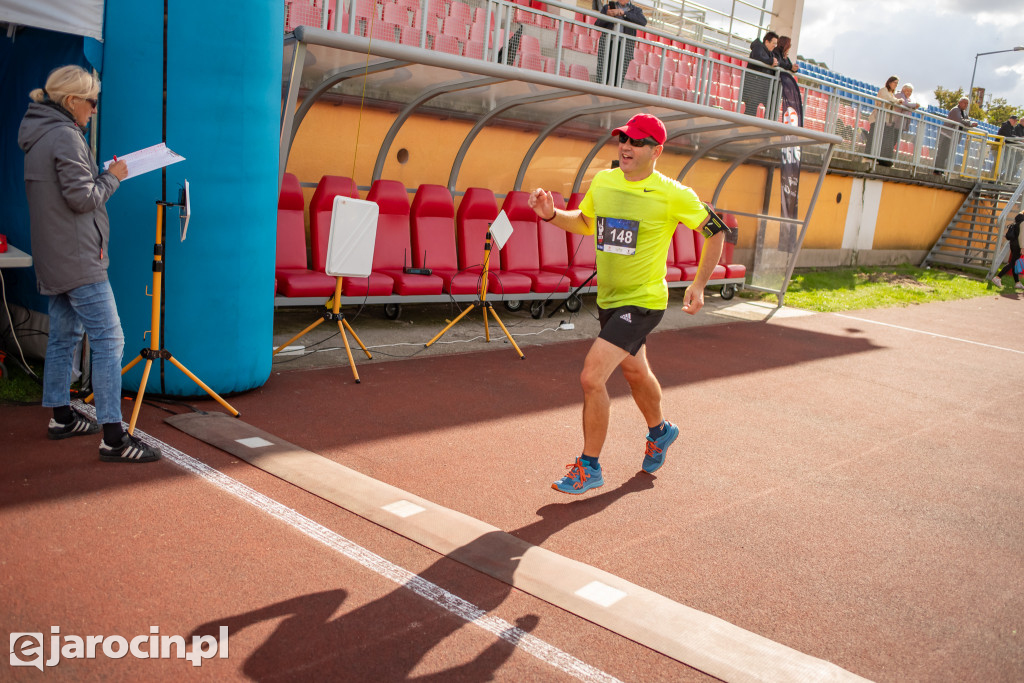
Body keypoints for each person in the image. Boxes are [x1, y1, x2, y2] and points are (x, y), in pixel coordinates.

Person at [526, 113, 727, 494]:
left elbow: (716, 232)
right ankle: (661, 431)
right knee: (635, 374)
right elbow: (587, 223)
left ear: (657, 150)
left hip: (644, 300)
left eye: (636, 142)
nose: (626, 146)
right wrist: (551, 215)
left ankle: (589, 467)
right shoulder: (604, 181)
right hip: (609, 300)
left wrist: (700, 285)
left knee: (591, 376)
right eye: (623, 139)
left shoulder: (672, 193)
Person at [18, 65, 161, 464]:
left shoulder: (40, 133)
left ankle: (62, 415)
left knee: (65, 334)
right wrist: (112, 177)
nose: (94, 109)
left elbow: (70, 191)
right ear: (72, 102)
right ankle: (114, 438)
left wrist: (99, 176)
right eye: (92, 102)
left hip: (55, 254)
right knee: (109, 340)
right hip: (78, 256)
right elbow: (82, 199)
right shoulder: (65, 135)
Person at [594, 0, 647, 87]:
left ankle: (613, 97)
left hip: (625, 47)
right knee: (602, 75)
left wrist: (624, 13)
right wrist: (608, 16)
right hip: (608, 43)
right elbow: (597, 24)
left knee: (618, 79)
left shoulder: (636, 10)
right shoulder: (607, 7)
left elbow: (643, 22)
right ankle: (598, 94)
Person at [935, 97, 979, 174]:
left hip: (953, 137)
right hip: (946, 135)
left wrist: (970, 123)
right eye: (964, 103)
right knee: (942, 153)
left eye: (967, 104)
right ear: (959, 102)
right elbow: (960, 120)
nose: (966, 105)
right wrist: (971, 123)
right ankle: (936, 170)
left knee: (947, 154)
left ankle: (941, 170)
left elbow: (966, 121)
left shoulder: (964, 112)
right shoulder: (955, 110)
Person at [743, 31, 778, 116]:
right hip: (753, 88)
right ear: (766, 41)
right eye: (774, 43)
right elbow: (757, 57)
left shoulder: (770, 53)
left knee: (771, 109)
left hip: (761, 88)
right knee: (750, 112)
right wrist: (770, 62)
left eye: (776, 44)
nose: (775, 46)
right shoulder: (758, 47)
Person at [870, 76, 902, 166]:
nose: (896, 85)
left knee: (885, 141)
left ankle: (882, 160)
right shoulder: (884, 90)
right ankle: (873, 158)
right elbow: (889, 100)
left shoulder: (891, 93)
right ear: (889, 82)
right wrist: (898, 100)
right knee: (877, 139)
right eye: (894, 82)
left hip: (886, 120)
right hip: (879, 118)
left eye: (897, 83)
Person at [992, 213, 1024, 290]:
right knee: (1012, 263)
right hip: (1018, 245)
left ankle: (1017, 282)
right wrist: (1022, 247)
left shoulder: (1018, 221)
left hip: (1013, 243)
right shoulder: (1023, 222)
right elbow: (1022, 236)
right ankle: (997, 277)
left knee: (1014, 262)